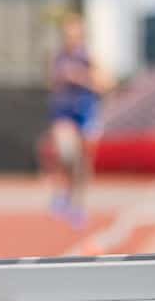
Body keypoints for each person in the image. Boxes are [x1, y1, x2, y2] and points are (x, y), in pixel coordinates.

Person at [45, 12, 110, 227]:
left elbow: (105, 83)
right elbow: (52, 83)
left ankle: (77, 203)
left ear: (81, 36)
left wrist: (80, 76)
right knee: (65, 152)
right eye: (66, 35)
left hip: (85, 111)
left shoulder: (89, 57)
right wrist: (60, 80)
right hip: (63, 112)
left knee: (83, 160)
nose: (70, 39)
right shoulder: (58, 57)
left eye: (74, 35)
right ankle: (60, 193)